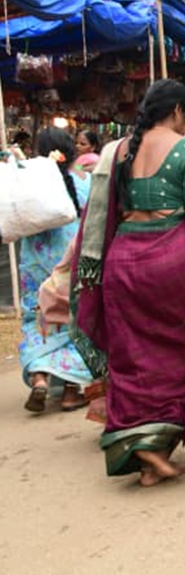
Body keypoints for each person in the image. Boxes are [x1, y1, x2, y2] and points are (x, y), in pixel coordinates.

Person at [71, 80, 185, 486]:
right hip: (169, 260)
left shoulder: (120, 149)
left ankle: (148, 457)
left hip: (122, 261)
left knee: (133, 353)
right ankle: (152, 448)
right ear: (177, 111)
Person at [17, 128, 92, 413]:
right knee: (73, 319)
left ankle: (40, 378)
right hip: (69, 262)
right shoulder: (82, 182)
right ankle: (71, 391)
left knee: (37, 317)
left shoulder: (28, 178)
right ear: (71, 151)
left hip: (33, 264)